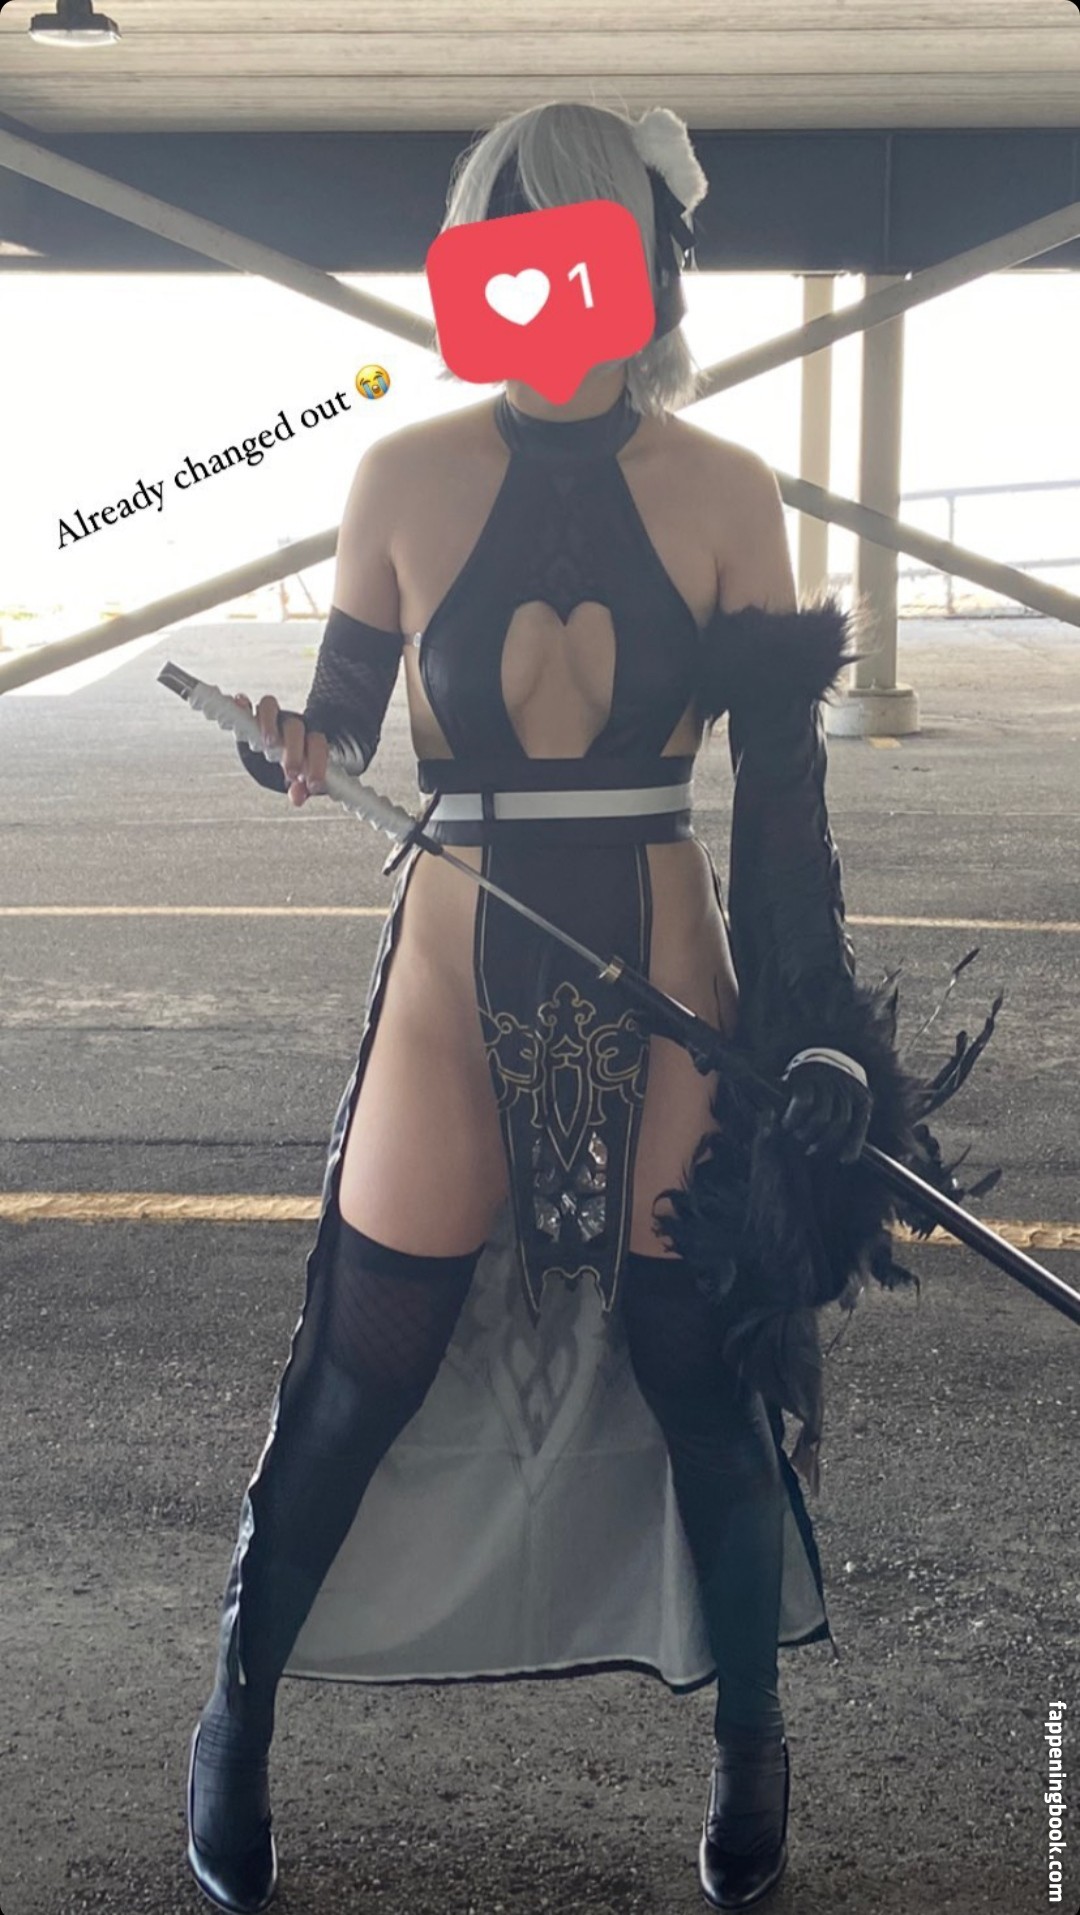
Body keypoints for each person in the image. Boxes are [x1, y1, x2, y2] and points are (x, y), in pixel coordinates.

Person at [185, 100, 916, 1915]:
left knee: (697, 1368)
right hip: (454, 967)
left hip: (668, 970)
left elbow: (782, 806)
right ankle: (237, 1714)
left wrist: (819, 1033)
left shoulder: (732, 491)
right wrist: (292, 745)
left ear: (653, 265)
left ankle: (753, 1741)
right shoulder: (398, 476)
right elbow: (342, 726)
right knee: (361, 1363)